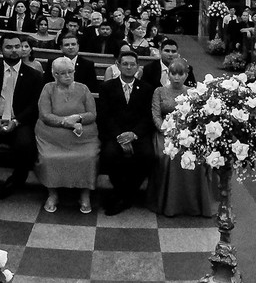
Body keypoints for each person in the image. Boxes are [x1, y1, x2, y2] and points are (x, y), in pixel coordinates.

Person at [149, 57, 216, 217]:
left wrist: (187, 132)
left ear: (186, 75)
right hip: (164, 133)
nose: (177, 78)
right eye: (173, 74)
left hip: (188, 134)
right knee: (168, 157)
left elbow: (197, 116)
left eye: (180, 74)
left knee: (198, 157)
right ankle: (170, 203)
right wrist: (167, 130)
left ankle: (195, 203)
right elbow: (156, 115)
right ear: (168, 74)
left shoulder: (192, 93)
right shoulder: (159, 91)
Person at [0, 32, 44, 199]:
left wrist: (16, 121)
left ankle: (15, 181)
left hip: (19, 122)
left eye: (17, 46)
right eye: (9, 47)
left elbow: (34, 106)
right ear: (1, 49)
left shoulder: (34, 75)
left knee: (26, 145)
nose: (14, 50)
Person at [36, 56, 99, 214]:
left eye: (70, 72)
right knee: (49, 157)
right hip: (52, 137)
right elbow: (44, 115)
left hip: (82, 137)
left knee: (89, 156)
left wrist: (77, 118)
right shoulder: (48, 89)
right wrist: (65, 122)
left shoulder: (83, 88)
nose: (68, 76)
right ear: (54, 74)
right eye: (62, 73)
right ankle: (53, 194)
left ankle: (85, 194)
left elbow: (92, 114)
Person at [99, 50, 155, 215]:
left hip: (138, 134)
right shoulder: (107, 87)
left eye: (132, 64)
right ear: (118, 65)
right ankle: (123, 193)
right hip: (115, 134)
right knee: (108, 154)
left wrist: (133, 135)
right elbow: (105, 116)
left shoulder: (146, 88)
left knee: (148, 156)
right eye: (125, 64)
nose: (129, 67)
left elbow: (147, 117)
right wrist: (120, 137)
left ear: (138, 67)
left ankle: (123, 194)